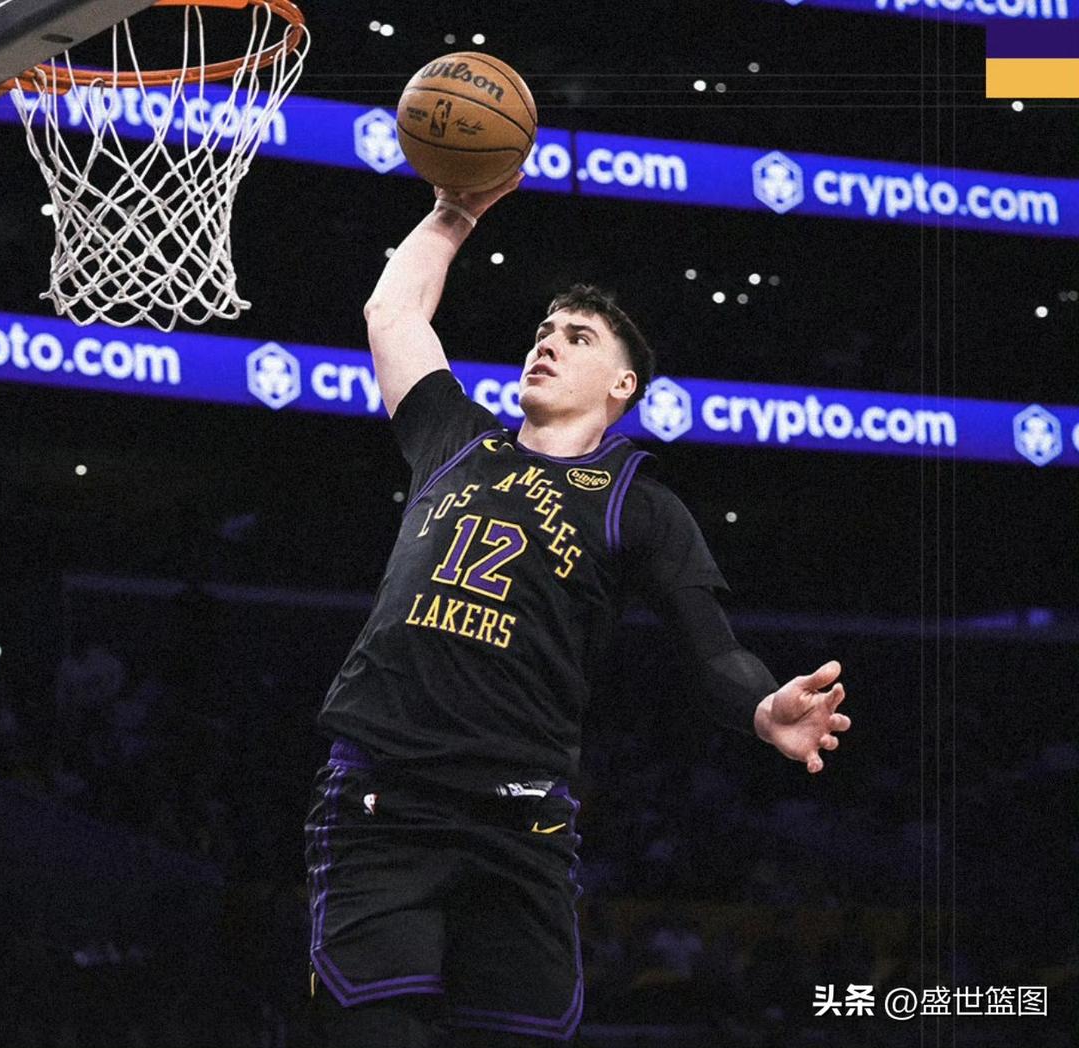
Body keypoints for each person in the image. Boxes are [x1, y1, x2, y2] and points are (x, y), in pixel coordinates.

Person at [304, 173, 851, 1047]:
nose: (547, 344)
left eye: (577, 336)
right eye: (543, 331)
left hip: (521, 821)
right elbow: (393, 313)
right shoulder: (456, 440)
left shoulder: (640, 503)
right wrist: (455, 211)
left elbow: (713, 651)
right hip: (385, 801)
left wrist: (759, 707)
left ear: (622, 383)